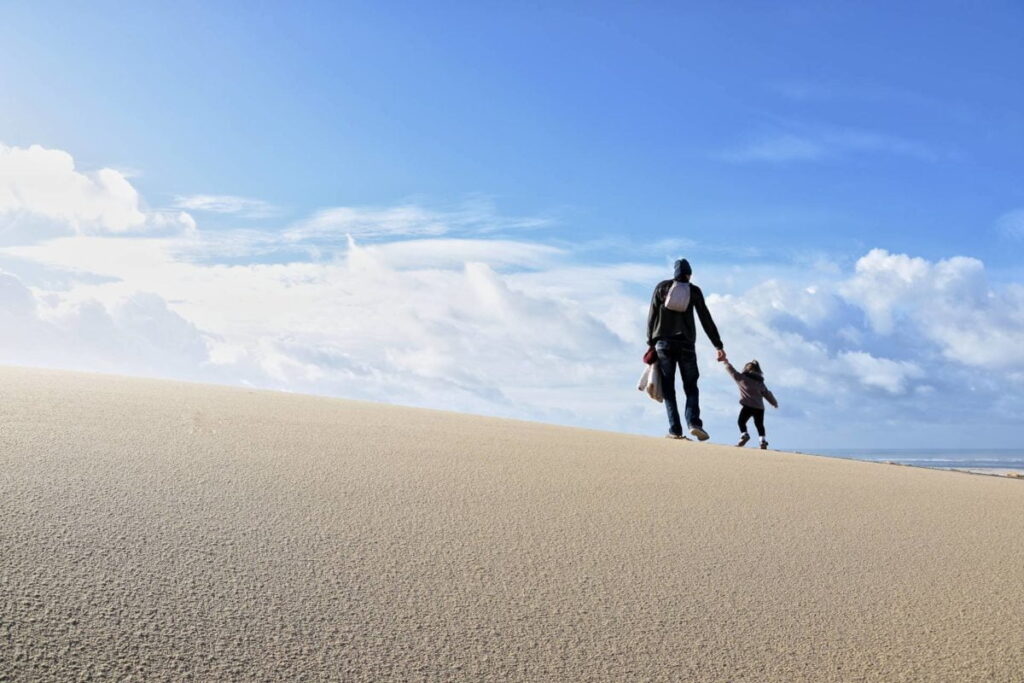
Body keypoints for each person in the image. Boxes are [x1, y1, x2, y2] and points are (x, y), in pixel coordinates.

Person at [646, 258, 725, 440]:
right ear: (689, 274)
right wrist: (718, 345)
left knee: (668, 388)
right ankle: (694, 423)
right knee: (691, 386)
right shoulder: (693, 291)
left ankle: (675, 430)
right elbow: (705, 318)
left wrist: (650, 342)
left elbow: (652, 315)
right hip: (686, 344)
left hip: (663, 344)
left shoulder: (661, 288)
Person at [721, 359, 778, 449]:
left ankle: (744, 435)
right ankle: (762, 441)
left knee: (741, 422)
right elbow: (767, 393)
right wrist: (774, 403)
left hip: (748, 406)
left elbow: (732, 371)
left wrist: (726, 362)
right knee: (759, 425)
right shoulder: (760, 383)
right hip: (759, 407)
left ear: (746, 369)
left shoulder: (741, 378)